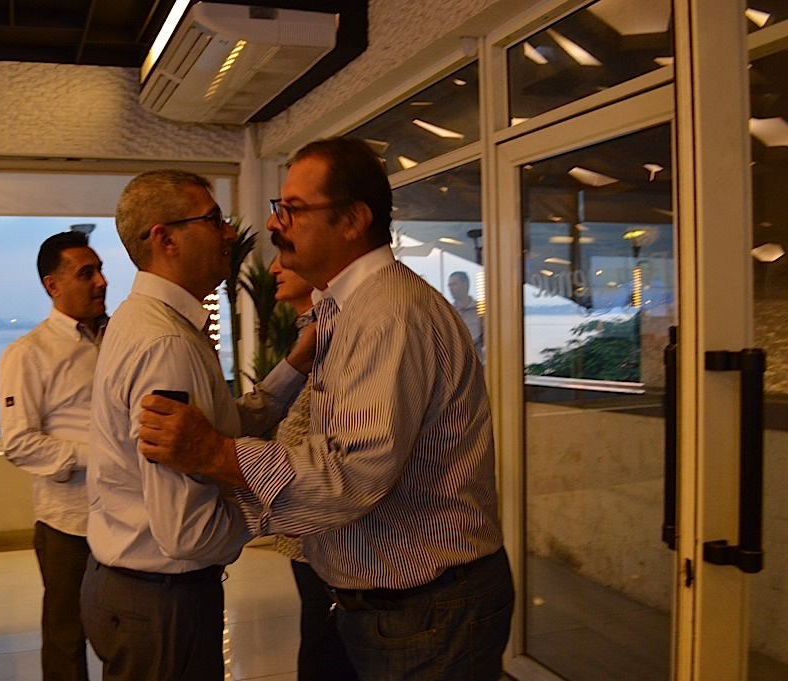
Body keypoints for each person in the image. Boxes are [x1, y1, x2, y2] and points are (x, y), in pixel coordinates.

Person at [138, 137, 514, 681]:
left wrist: (217, 454)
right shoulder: (345, 309)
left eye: (293, 209)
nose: (275, 224)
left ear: (354, 220)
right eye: (279, 207)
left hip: (427, 609)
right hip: (396, 606)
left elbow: (351, 473)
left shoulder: (387, 313)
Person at [81, 169, 310, 681]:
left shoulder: (144, 320)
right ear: (165, 239)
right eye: (213, 219)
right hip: (162, 603)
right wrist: (289, 505)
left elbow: (217, 429)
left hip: (135, 590)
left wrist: (295, 366)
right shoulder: (165, 345)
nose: (229, 233)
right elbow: (188, 533)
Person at [0, 231, 107, 681]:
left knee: (126, 629)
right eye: (86, 273)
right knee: (66, 637)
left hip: (131, 511)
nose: (101, 282)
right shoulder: (28, 354)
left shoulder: (118, 338)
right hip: (70, 521)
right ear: (53, 285)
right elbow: (19, 442)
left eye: (101, 271)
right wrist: (99, 456)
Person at [268, 256, 357, 681]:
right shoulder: (310, 330)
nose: (274, 268)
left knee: (325, 645)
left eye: (285, 254)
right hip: (306, 520)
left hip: (323, 520)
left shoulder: (336, 329)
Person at [448, 270, 484, 357]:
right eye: (449, 285)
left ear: (465, 285)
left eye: (454, 284)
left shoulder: (480, 310)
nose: (451, 288)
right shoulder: (449, 312)